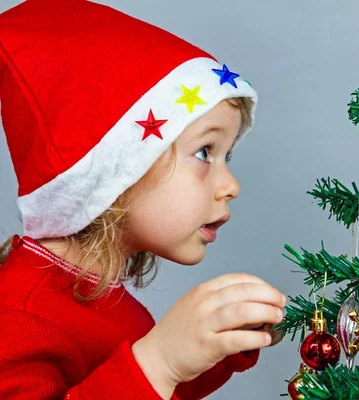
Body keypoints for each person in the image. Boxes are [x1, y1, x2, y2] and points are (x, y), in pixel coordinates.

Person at [0, 0, 286, 399]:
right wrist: (159, 361)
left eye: (227, 155)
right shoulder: (20, 317)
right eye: (205, 152)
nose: (231, 185)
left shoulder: (101, 294)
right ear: (119, 170)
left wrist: (213, 347)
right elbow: (141, 379)